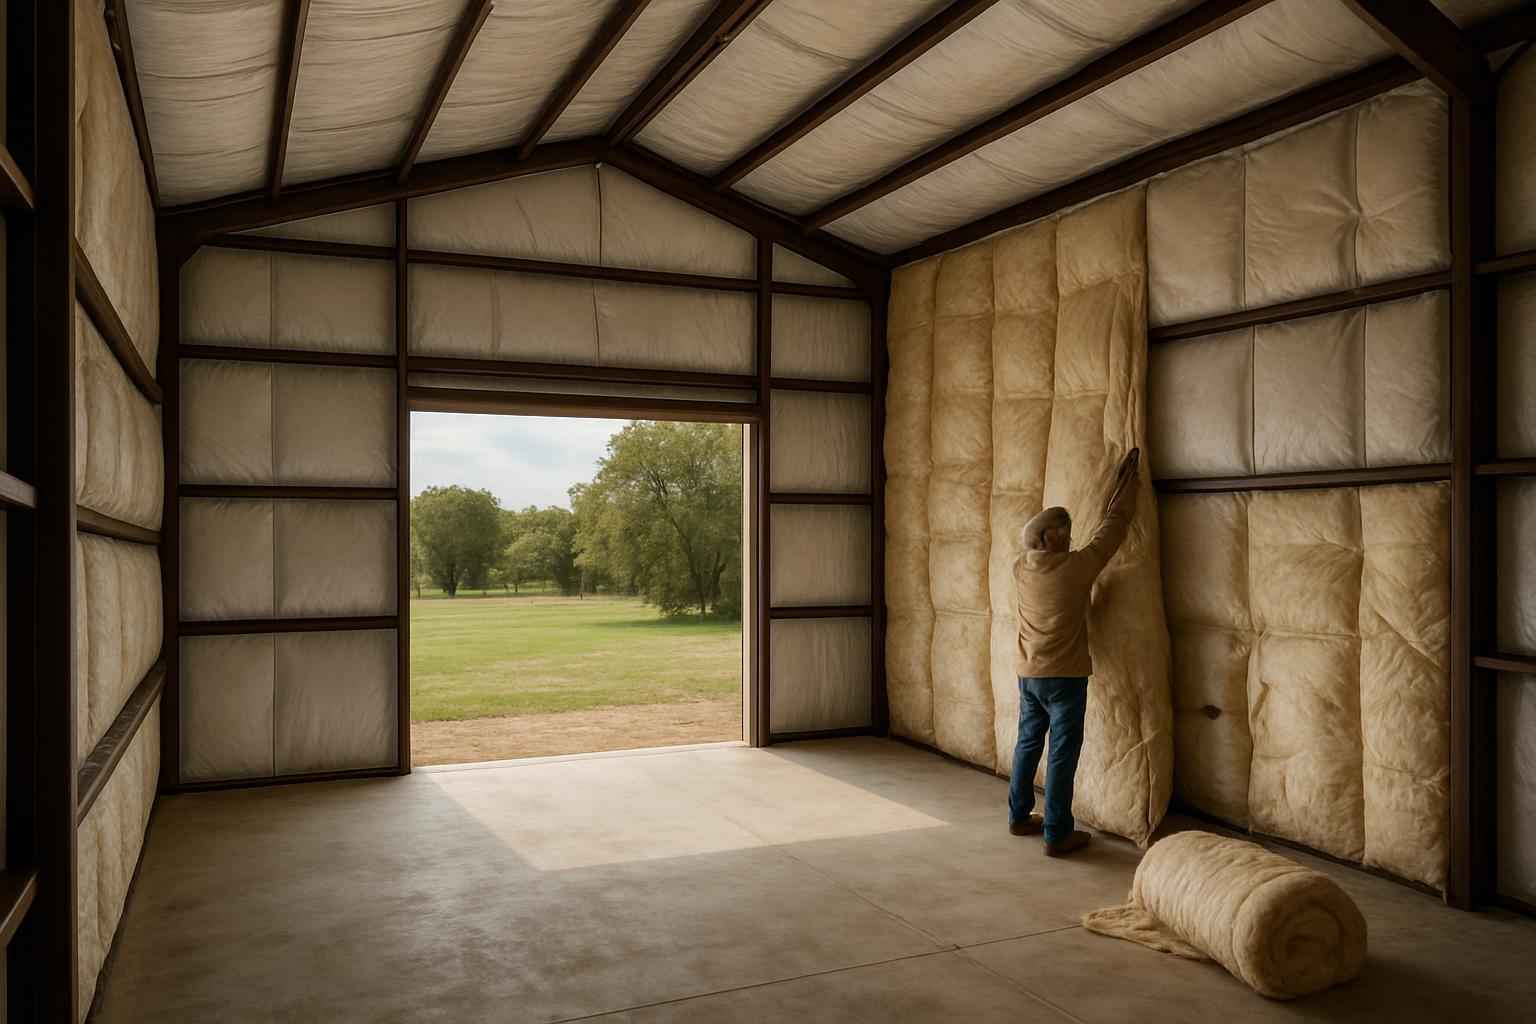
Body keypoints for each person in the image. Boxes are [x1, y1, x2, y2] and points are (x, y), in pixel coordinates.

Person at [1007, 447, 1140, 857]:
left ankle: (1017, 816)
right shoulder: (1076, 568)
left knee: (1028, 743)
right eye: (1063, 530)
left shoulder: (1021, 568)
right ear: (1048, 538)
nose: (1071, 535)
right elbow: (1113, 529)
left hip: (1028, 673)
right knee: (1063, 752)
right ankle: (1056, 834)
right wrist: (1128, 484)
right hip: (1064, 676)